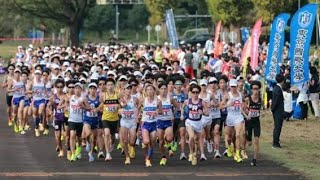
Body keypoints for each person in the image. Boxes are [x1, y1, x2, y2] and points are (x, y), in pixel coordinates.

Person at [119, 83, 139, 165]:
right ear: (124, 90)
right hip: (124, 121)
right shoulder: (121, 99)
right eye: (127, 89)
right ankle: (127, 157)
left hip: (132, 122)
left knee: (131, 141)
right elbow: (120, 108)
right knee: (124, 140)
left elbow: (139, 107)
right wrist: (120, 110)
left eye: (130, 89)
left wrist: (138, 115)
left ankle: (132, 147)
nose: (128, 90)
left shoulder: (135, 99)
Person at [245, 81, 262, 166]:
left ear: (259, 89)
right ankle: (248, 139)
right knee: (249, 142)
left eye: (257, 89)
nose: (255, 91)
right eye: (254, 89)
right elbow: (242, 108)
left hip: (256, 121)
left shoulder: (260, 98)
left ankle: (254, 159)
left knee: (256, 140)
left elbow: (261, 108)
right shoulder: (248, 99)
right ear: (251, 89)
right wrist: (246, 114)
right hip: (248, 121)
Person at [271, 74, 285, 148]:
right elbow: (275, 101)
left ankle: (276, 141)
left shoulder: (276, 88)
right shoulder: (277, 89)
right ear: (283, 80)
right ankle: (275, 142)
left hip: (277, 110)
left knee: (277, 126)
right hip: (278, 111)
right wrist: (272, 109)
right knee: (277, 127)